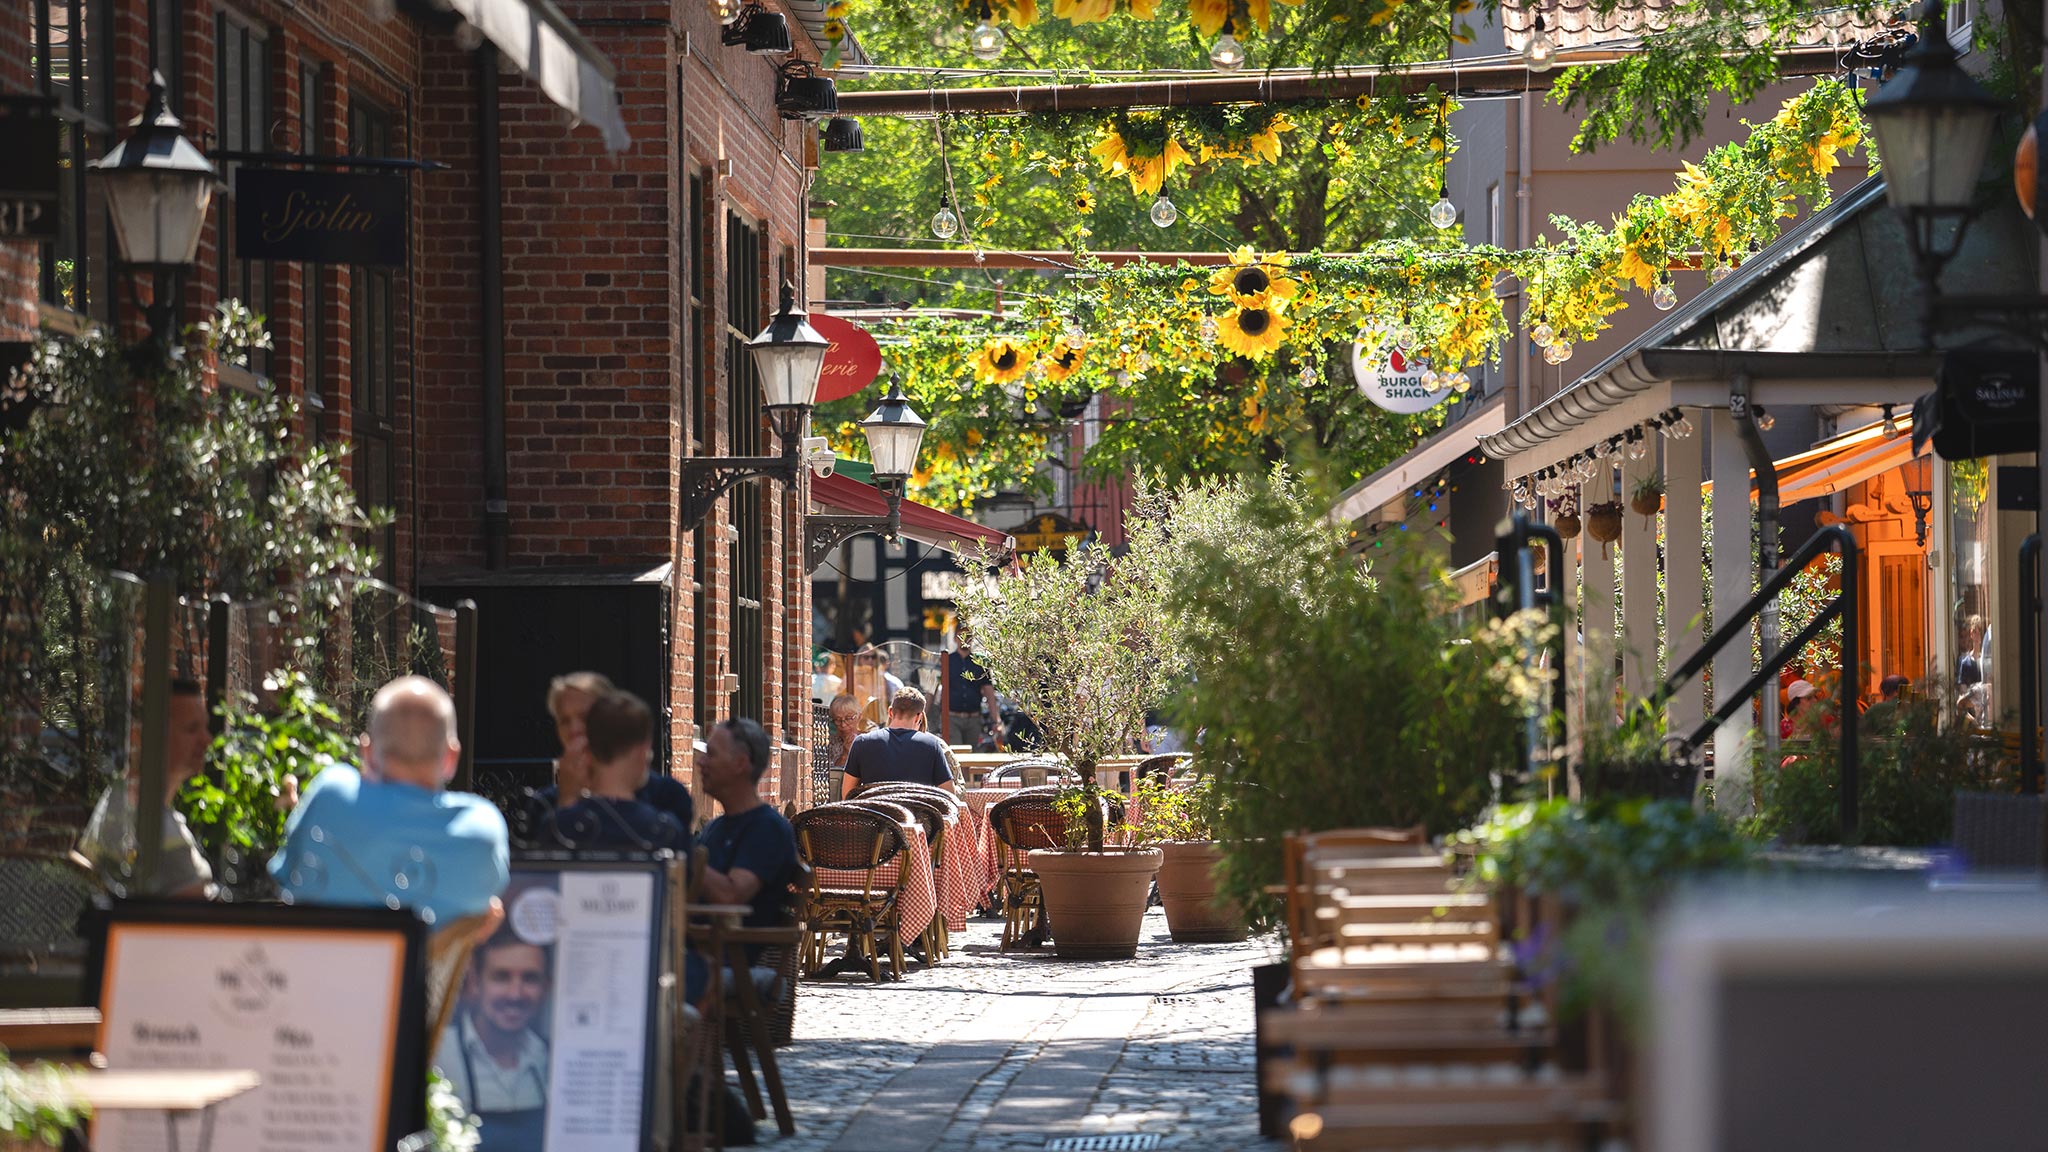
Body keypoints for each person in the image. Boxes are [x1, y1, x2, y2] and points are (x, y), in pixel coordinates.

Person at [270, 676, 509, 926]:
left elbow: (284, 882)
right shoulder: (482, 829)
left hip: (325, 963)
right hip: (425, 966)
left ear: (367, 751)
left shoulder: (331, 792)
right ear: (451, 757)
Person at [689, 718, 799, 1001]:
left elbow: (729, 895)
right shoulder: (716, 826)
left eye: (711, 755)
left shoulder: (767, 828)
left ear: (741, 764)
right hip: (696, 949)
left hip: (723, 958)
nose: (701, 763)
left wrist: (680, 848)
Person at [79, 678, 215, 898]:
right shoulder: (153, 827)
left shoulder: (121, 798)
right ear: (144, 736)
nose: (207, 739)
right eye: (192, 729)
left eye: (205, 727)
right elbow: (201, 920)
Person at [434, 926, 551, 1152]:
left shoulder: (550, 1060)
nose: (515, 994)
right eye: (501, 977)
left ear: (546, 987)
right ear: (475, 982)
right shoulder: (438, 1054)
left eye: (530, 979)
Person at [534, 671, 691, 830]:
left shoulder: (667, 795)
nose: (574, 729)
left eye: (585, 717)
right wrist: (566, 801)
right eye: (564, 721)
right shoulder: (543, 804)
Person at [842, 687, 958, 797]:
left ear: (890, 712)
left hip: (874, 816)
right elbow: (949, 794)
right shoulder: (931, 745)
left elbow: (847, 794)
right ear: (919, 717)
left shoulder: (862, 742)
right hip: (917, 816)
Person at [940, 624, 1002, 749]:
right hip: (952, 718)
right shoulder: (947, 660)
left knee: (974, 754)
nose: (965, 639)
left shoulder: (980, 662)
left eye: (968, 636)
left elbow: (989, 692)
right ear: (955, 638)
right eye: (961, 635)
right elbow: (935, 688)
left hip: (974, 718)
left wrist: (996, 720)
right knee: (956, 753)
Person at [824, 692, 870, 770]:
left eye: (848, 718)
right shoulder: (829, 743)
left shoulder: (868, 740)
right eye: (838, 720)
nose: (843, 725)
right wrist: (845, 754)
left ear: (859, 717)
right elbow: (829, 775)